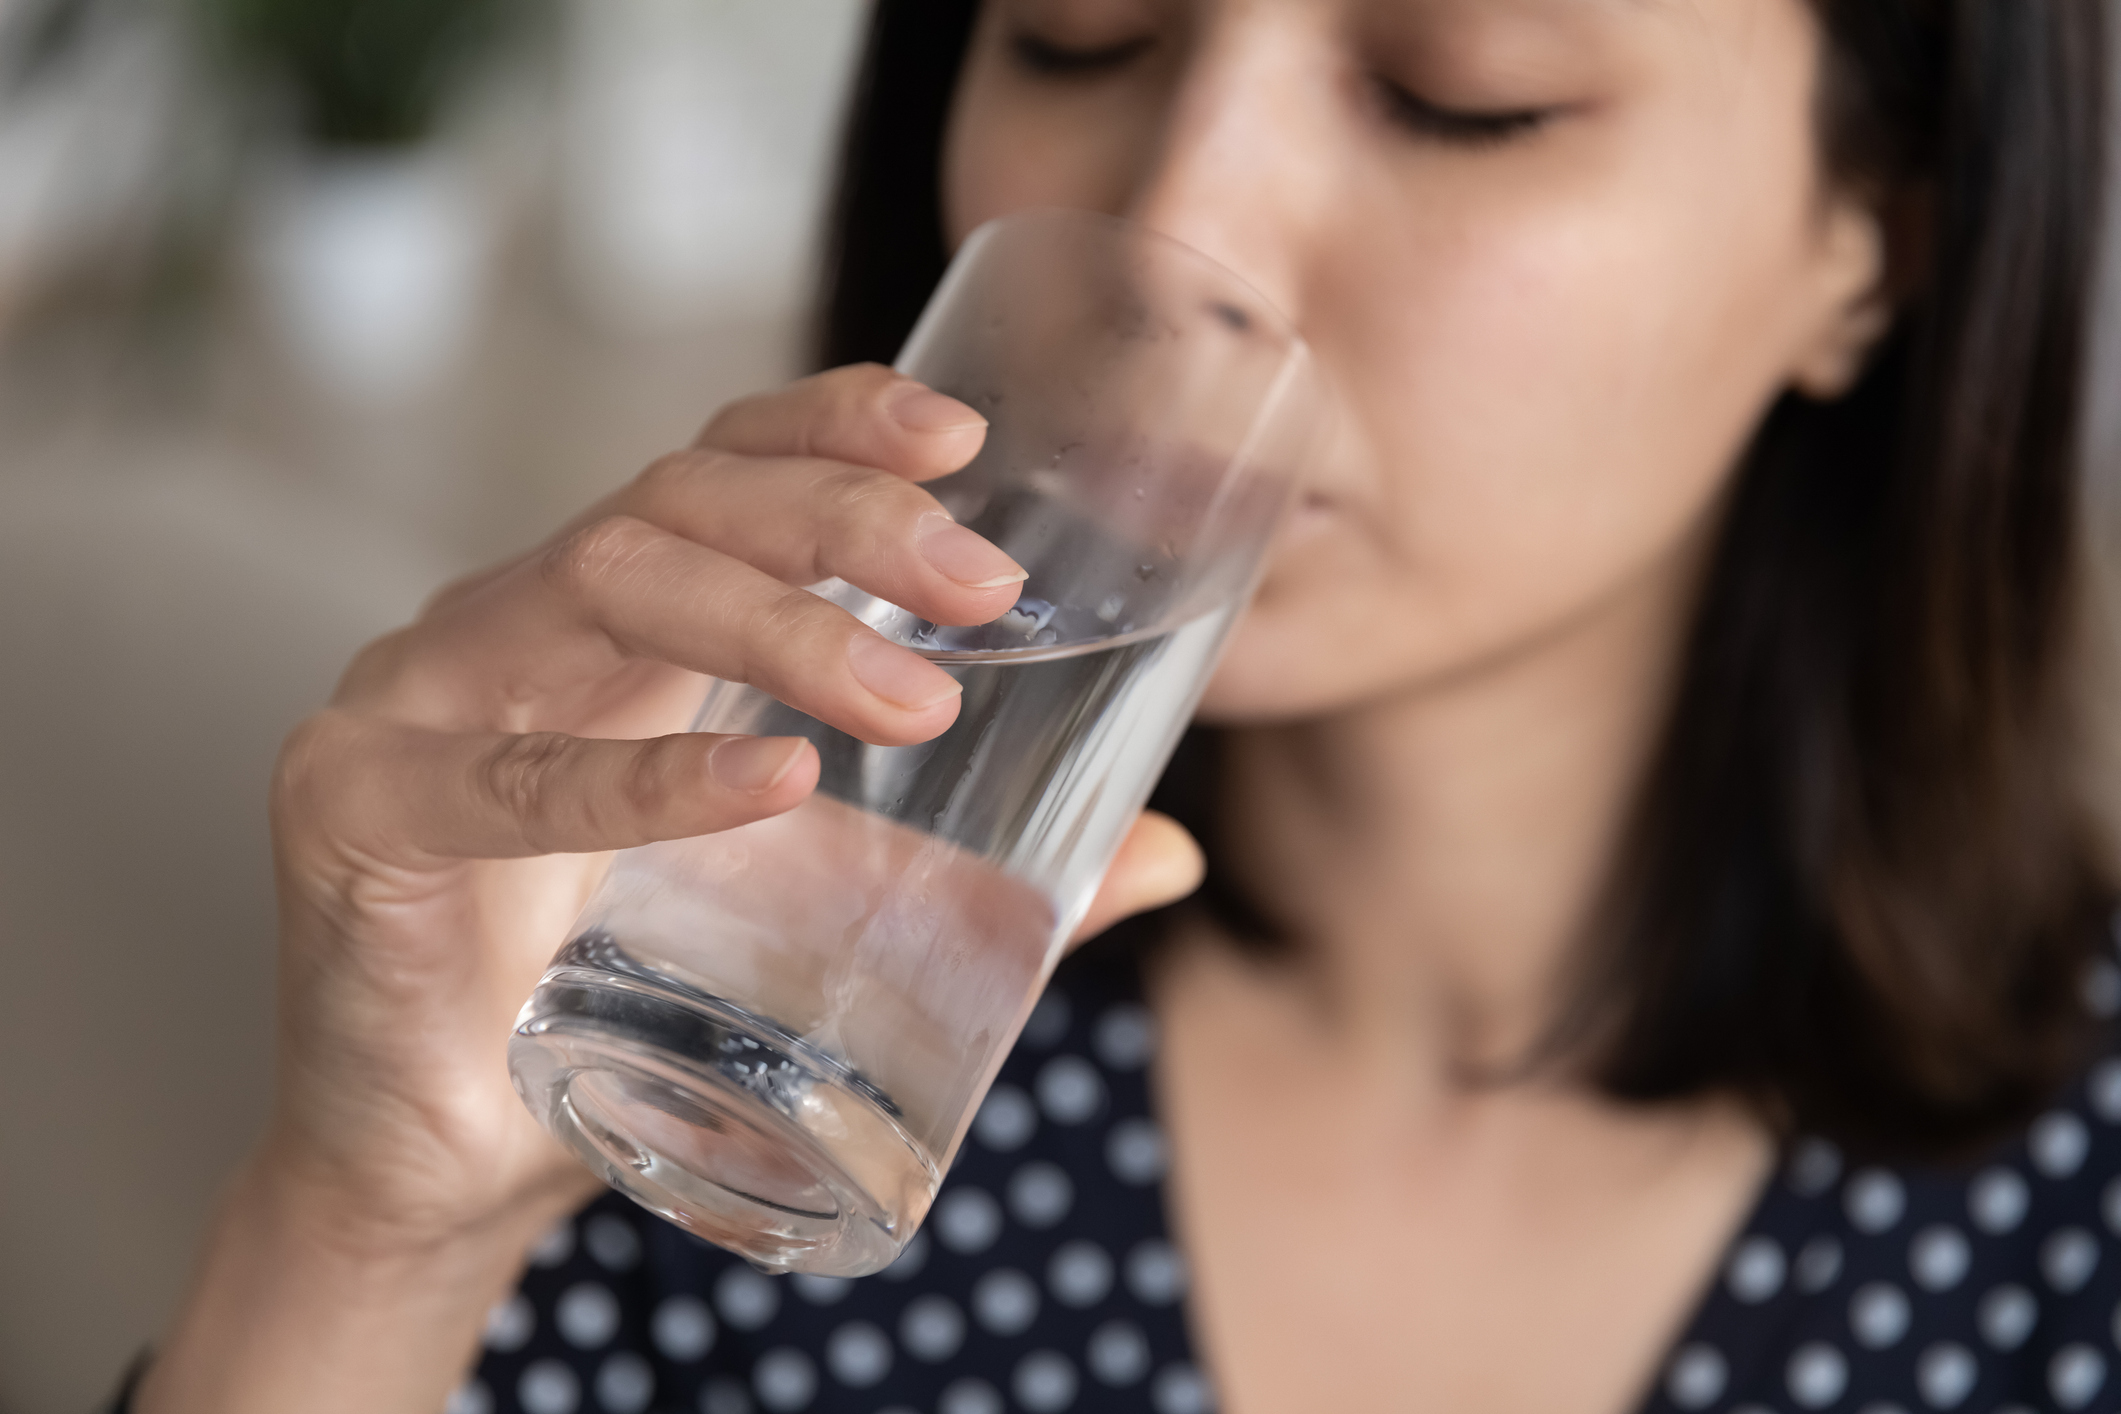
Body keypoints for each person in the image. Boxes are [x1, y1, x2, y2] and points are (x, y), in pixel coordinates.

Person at [128, 0, 2116, 1410]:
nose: (1190, 219)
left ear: (1874, 244)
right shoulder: (733, 1016)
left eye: (1460, 93)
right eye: (1078, 36)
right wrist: (370, 1237)